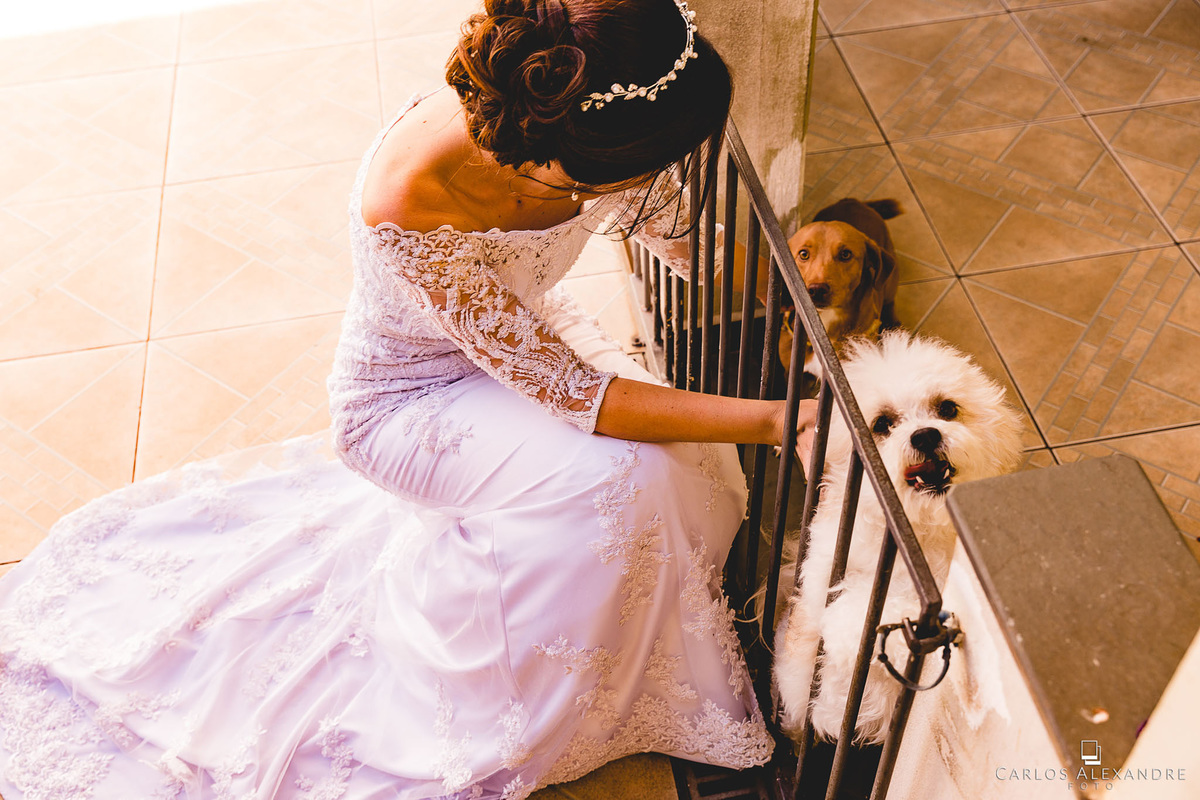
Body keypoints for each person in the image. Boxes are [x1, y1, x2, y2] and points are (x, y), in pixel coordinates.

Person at [0, 1, 816, 798]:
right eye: (648, 162)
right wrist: (780, 420)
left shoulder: (581, 114)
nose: (658, 176)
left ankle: (636, 671)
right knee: (624, 488)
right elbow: (577, 395)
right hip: (408, 403)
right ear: (579, 151)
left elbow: (693, 254)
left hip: (520, 347)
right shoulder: (415, 200)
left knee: (684, 471)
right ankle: (515, 697)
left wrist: (805, 306)